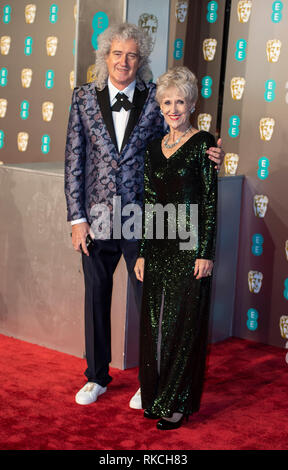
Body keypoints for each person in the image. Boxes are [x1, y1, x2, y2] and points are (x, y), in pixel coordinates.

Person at [64, 23, 223, 406]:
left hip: (144, 215)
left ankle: (149, 381)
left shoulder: (155, 97)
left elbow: (178, 130)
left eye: (132, 55)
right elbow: (74, 160)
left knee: (150, 304)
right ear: (105, 57)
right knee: (96, 298)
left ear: (141, 60)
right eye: (117, 53)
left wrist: (207, 151)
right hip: (97, 215)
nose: (124, 61)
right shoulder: (83, 97)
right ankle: (97, 377)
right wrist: (76, 219)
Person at [134, 66, 217, 430]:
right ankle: (154, 397)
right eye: (167, 102)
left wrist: (206, 252)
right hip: (159, 244)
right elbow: (149, 202)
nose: (173, 108)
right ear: (160, 106)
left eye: (180, 101)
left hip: (190, 244)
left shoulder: (204, 144)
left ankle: (178, 403)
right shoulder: (154, 147)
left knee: (184, 325)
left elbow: (211, 202)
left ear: (191, 104)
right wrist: (142, 251)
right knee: (154, 326)